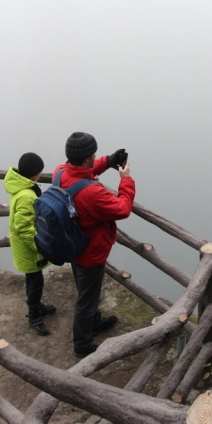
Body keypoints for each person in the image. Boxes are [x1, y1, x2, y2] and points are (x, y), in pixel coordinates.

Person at [52, 132, 135, 358]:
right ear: (88, 157)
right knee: (86, 300)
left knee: (86, 291)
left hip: (72, 244)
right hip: (90, 252)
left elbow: (82, 173)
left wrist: (108, 162)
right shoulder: (92, 193)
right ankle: (82, 345)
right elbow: (122, 209)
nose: (96, 157)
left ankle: (95, 322)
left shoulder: (60, 172)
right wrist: (125, 180)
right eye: (94, 155)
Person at [3, 152, 57, 336]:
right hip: (29, 249)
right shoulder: (27, 195)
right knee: (35, 282)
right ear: (34, 173)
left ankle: (36, 306)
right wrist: (38, 245)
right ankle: (34, 315)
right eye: (39, 172)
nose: (41, 175)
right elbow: (24, 226)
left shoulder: (21, 188)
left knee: (33, 280)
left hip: (24, 246)